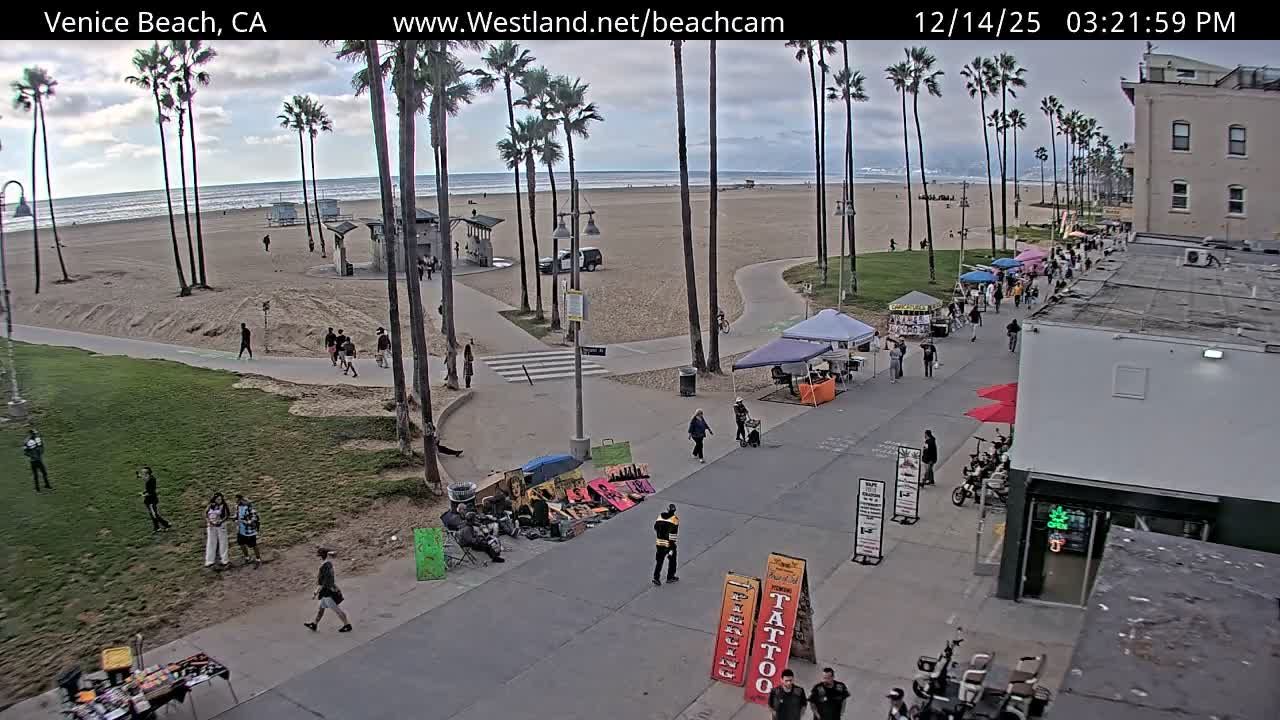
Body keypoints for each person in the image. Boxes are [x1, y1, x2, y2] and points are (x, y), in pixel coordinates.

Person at [305, 548, 352, 632]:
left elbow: (325, 582)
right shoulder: (328, 564)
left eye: (320, 556)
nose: (319, 557)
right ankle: (314, 624)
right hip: (326, 591)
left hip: (327, 592)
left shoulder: (325, 566)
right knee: (321, 610)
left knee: (337, 610)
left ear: (323, 556)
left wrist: (316, 592)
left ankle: (347, 625)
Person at [652, 503, 679, 585]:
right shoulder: (675, 519)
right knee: (672, 560)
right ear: (674, 510)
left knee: (659, 561)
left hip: (659, 543)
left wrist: (660, 535)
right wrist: (672, 546)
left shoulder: (660, 516)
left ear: (667, 509)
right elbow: (673, 534)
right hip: (669, 544)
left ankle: (656, 578)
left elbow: (655, 527)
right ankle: (670, 577)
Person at [140, 467, 171, 532]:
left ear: (147, 474)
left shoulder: (151, 480)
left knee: (154, 514)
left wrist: (144, 494)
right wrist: (145, 492)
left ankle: (167, 524)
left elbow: (151, 492)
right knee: (152, 514)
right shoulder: (150, 478)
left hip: (151, 500)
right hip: (149, 500)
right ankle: (156, 527)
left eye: (143, 473)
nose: (142, 474)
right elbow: (145, 480)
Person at [204, 493, 231, 569]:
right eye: (218, 499)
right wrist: (209, 521)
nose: (219, 500)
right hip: (211, 526)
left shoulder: (224, 506)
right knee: (211, 542)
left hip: (221, 526)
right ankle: (209, 561)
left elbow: (227, 515)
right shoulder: (210, 506)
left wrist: (221, 521)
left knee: (223, 542)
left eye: (220, 499)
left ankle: (224, 560)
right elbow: (206, 514)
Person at [235, 494, 262, 567]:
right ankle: (247, 557)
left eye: (238, 500)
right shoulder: (237, 507)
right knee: (241, 544)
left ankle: (258, 559)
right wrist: (235, 519)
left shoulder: (249, 507)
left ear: (241, 499)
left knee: (253, 545)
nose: (237, 501)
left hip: (250, 530)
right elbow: (237, 516)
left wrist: (247, 522)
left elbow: (254, 517)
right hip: (241, 530)